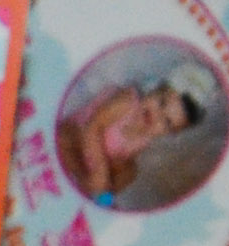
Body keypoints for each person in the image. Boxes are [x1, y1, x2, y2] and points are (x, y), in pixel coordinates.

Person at [61, 65, 214, 204]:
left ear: (169, 133)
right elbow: (93, 127)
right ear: (155, 89)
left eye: (167, 122)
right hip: (83, 132)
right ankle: (82, 179)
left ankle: (102, 196)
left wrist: (112, 171)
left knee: (130, 172)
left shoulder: (147, 137)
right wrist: (101, 169)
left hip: (98, 158)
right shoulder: (127, 102)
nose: (157, 115)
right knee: (66, 136)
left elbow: (122, 157)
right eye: (161, 103)